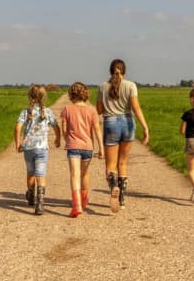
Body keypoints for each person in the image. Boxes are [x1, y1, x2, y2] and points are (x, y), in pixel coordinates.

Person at [97, 58, 149, 213]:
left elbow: (99, 110)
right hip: (128, 122)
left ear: (110, 71)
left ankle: (113, 186)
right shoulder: (131, 86)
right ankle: (122, 199)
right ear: (124, 72)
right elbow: (136, 107)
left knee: (110, 166)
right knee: (123, 163)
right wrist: (145, 128)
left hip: (110, 122)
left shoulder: (102, 87)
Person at [15, 84, 61, 215]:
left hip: (28, 148)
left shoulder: (25, 112)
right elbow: (56, 127)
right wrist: (58, 139)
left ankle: (30, 195)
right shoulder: (48, 112)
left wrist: (18, 143)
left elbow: (17, 128)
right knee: (40, 175)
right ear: (44, 97)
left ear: (30, 96)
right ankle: (40, 204)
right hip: (42, 148)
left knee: (30, 172)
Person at [60, 82, 103, 218]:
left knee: (74, 174)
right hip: (87, 147)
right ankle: (84, 200)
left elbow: (64, 129)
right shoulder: (92, 110)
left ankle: (76, 205)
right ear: (85, 94)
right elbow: (97, 130)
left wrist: (67, 138)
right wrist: (101, 148)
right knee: (85, 174)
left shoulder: (67, 109)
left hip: (73, 146)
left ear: (71, 95)